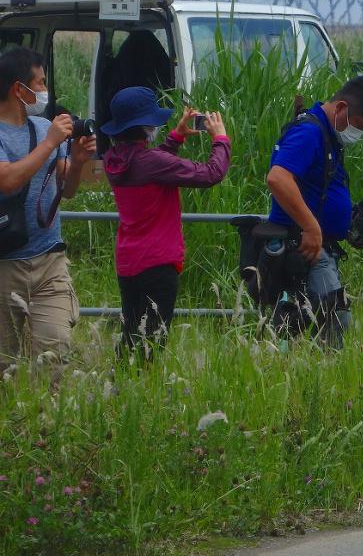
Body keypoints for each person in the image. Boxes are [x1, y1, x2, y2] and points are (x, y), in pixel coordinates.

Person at [100, 87, 230, 355]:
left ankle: (120, 389)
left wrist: (176, 137)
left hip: (128, 262)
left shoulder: (113, 160)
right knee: (152, 342)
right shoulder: (152, 162)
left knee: (131, 334)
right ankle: (142, 391)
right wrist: (220, 139)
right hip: (158, 263)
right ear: (147, 127)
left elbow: (148, 162)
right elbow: (211, 174)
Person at [265, 75, 363, 347]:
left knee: (316, 315)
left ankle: (297, 362)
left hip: (318, 244)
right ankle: (320, 372)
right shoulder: (309, 132)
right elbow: (278, 178)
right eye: (361, 126)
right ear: (342, 108)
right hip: (303, 243)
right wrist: (311, 226)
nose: (361, 133)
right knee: (334, 315)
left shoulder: (328, 135)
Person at [0, 48, 96, 371]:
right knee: (6, 366)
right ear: (19, 89)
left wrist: (79, 161)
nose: (44, 91)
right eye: (39, 83)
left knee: (55, 356)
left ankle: (51, 416)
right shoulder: (35, 135)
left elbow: (65, 191)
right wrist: (51, 143)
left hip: (49, 262)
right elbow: (8, 180)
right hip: (5, 265)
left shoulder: (42, 128)